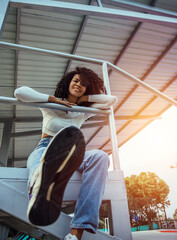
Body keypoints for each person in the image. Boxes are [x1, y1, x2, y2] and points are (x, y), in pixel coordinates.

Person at [14, 67, 117, 240]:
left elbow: (110, 100)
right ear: (68, 82)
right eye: (76, 81)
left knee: (100, 157)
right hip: (45, 148)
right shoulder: (50, 105)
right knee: (39, 166)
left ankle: (76, 234)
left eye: (84, 85)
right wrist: (54, 100)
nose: (78, 85)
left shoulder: (81, 112)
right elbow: (19, 92)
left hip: (71, 151)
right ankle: (38, 195)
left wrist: (82, 99)